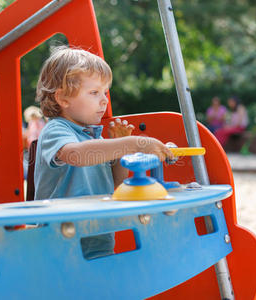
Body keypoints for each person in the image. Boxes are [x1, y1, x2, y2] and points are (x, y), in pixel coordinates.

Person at [34, 46, 174, 259]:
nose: (104, 100)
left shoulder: (95, 140)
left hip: (99, 236)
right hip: (61, 241)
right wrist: (133, 143)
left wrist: (118, 152)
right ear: (63, 98)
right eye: (94, 92)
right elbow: (76, 155)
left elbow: (116, 186)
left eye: (105, 92)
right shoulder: (56, 130)